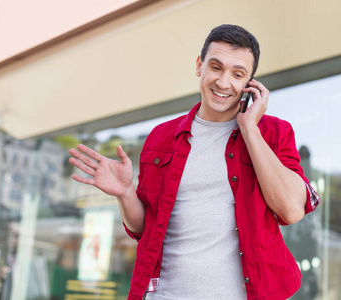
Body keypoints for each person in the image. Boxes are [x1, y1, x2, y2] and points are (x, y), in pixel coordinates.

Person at [69, 24, 320, 300]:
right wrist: (126, 193)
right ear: (199, 66)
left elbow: (291, 210)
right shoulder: (161, 138)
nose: (224, 83)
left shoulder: (273, 133)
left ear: (250, 83)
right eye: (216, 67)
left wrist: (249, 128)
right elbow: (145, 228)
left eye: (238, 74)